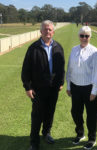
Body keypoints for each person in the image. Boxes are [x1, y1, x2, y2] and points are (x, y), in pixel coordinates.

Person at [21, 20, 65, 150]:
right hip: (38, 89)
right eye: (45, 29)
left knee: (50, 113)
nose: (48, 32)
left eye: (50, 29)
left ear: (53, 32)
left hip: (53, 88)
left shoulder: (58, 47)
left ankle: (46, 133)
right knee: (37, 115)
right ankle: (34, 142)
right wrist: (28, 87)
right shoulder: (33, 48)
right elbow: (25, 70)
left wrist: (61, 82)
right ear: (41, 31)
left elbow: (61, 67)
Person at [66, 26, 97, 150]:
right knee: (75, 112)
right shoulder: (74, 50)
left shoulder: (95, 52)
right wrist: (68, 85)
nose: (84, 38)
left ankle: (92, 138)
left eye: (87, 36)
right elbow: (70, 69)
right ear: (79, 36)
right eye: (82, 35)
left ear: (90, 37)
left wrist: (94, 91)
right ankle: (80, 134)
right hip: (75, 87)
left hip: (90, 88)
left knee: (92, 115)